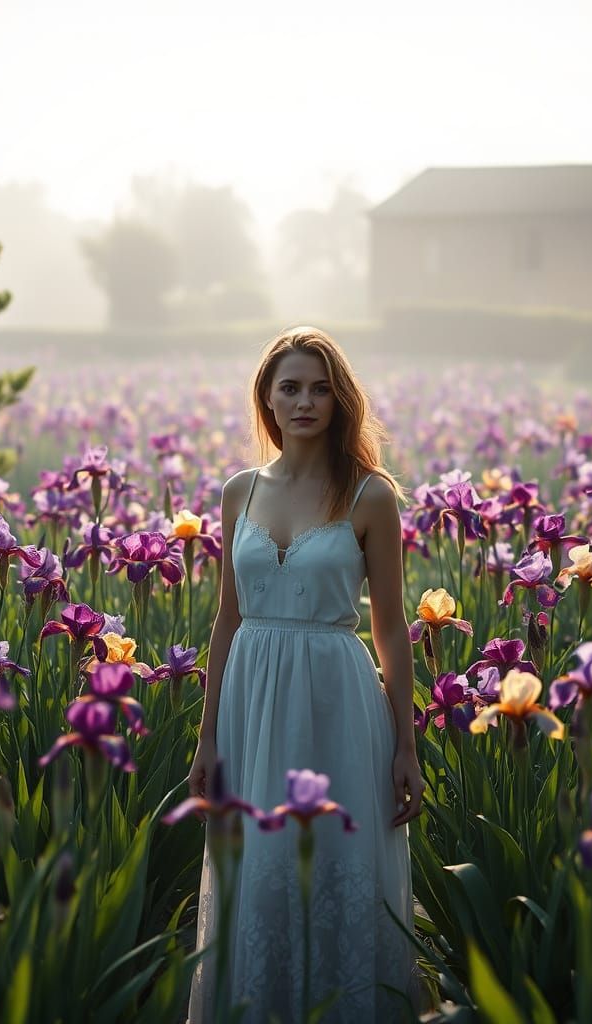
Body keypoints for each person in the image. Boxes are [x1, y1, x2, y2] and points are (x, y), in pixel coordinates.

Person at [184, 326, 425, 1023]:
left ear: (339, 400)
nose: (305, 402)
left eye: (320, 389)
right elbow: (227, 619)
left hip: (336, 698)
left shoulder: (370, 495)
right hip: (251, 702)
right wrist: (206, 736)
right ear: (267, 397)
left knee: (336, 867)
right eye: (289, 388)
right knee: (258, 870)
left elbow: (390, 629)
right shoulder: (239, 492)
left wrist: (406, 747)